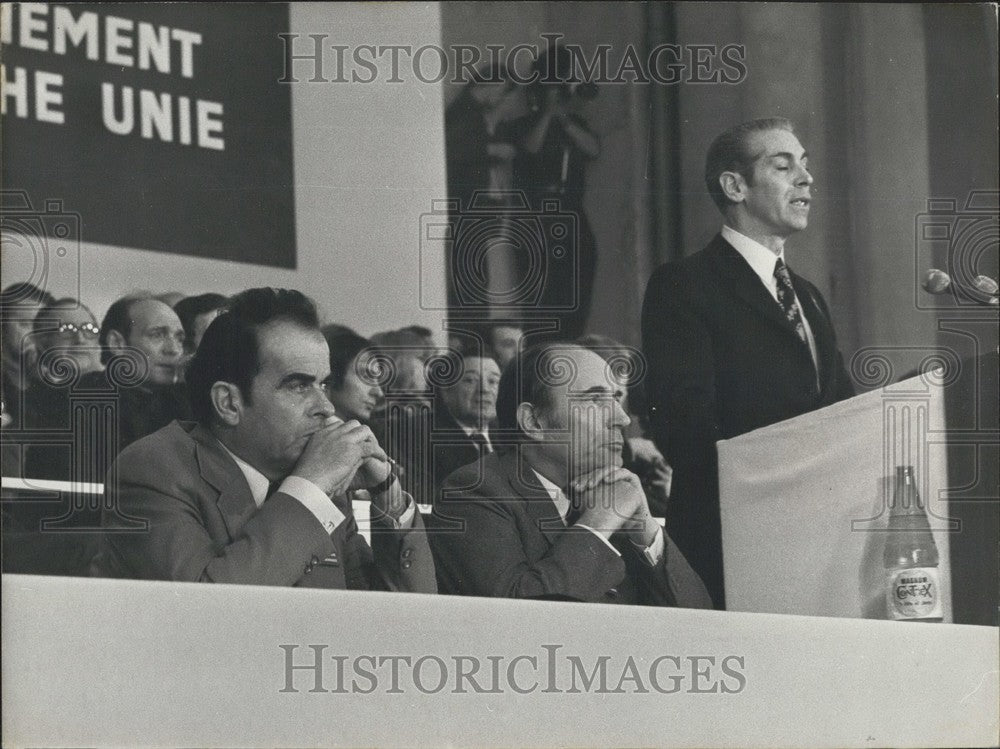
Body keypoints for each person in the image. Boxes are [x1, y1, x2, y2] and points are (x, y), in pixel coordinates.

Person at [641, 118, 855, 608]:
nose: (806, 179)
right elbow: (684, 427)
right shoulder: (684, 285)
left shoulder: (809, 296)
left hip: (818, 544)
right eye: (784, 166)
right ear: (734, 185)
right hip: (733, 541)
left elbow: (839, 410)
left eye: (805, 165)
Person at [95, 287, 436, 591]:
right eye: (298, 386)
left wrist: (389, 498)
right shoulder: (152, 471)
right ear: (229, 403)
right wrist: (310, 488)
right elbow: (203, 613)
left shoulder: (321, 487)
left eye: (323, 384)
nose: (326, 407)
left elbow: (403, 623)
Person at [431, 340, 711, 607]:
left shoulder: (616, 489)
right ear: (534, 422)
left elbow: (700, 620)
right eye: (595, 400)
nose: (622, 419)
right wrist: (599, 523)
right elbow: (521, 619)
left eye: (615, 398)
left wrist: (646, 530)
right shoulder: (472, 492)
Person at [76, 293, 192, 458]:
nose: (173, 350)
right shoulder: (84, 403)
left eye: (179, 339)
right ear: (117, 343)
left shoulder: (181, 403)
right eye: (157, 334)